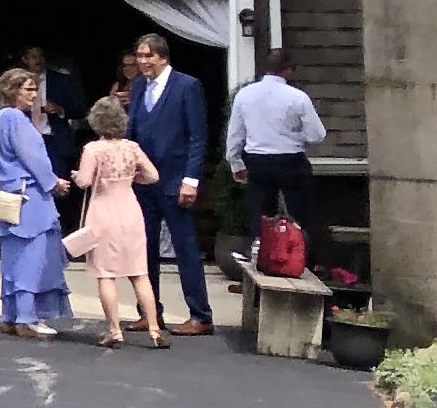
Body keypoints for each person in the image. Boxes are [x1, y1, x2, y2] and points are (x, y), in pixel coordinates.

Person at [123, 31, 216, 333]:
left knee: (185, 248)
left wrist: (191, 179)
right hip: (142, 183)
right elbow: (132, 133)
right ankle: (150, 312)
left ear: (163, 57)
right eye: (139, 55)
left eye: (148, 55)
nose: (143, 61)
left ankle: (200, 315)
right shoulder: (137, 88)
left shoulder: (187, 86)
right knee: (143, 249)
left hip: (176, 180)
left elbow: (197, 136)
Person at [68, 92, 170, 348]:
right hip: (130, 210)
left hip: (103, 211)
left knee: (106, 274)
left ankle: (114, 329)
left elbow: (84, 181)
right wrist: (134, 179)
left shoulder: (93, 149)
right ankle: (155, 330)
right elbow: (154, 176)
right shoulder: (132, 147)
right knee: (139, 273)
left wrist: (75, 175)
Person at [0, 65, 76, 336]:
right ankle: (26, 317)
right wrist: (53, 182)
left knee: (14, 257)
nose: (35, 94)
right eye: (29, 89)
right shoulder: (14, 118)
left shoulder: (0, 117)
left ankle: (11, 315)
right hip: (29, 197)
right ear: (13, 91)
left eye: (35, 88)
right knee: (32, 255)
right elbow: (32, 157)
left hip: (9, 195)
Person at [226, 49, 331, 274]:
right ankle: (303, 260)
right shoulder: (297, 97)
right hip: (290, 159)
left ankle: (261, 259)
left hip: (258, 160)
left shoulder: (245, 95)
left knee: (261, 215)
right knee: (300, 213)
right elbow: (317, 134)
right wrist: (295, 138)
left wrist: (235, 162)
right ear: (288, 70)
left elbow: (235, 133)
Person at [20, 40, 87, 182]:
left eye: (40, 56)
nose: (38, 60)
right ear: (25, 60)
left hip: (54, 141)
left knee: (58, 184)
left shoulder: (62, 80)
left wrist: (60, 110)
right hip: (27, 140)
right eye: (33, 57)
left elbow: (79, 109)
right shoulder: (17, 82)